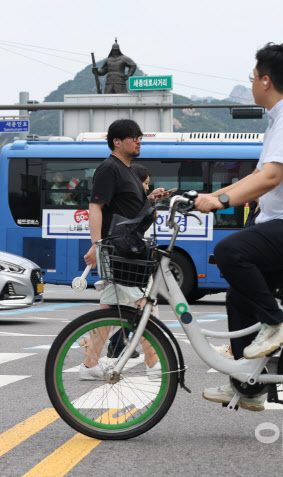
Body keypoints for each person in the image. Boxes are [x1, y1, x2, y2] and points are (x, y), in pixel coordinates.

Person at [193, 43, 283, 411]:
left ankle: (276, 322)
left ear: (266, 80)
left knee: (229, 251)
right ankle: (248, 385)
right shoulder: (282, 119)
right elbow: (259, 175)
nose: (252, 83)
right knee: (238, 295)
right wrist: (213, 195)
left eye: (253, 77)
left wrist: (221, 202)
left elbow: (271, 177)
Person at [79, 119, 171, 381]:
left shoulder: (129, 169)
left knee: (109, 309)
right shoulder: (109, 169)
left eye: (140, 136)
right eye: (134, 137)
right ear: (117, 141)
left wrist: (151, 198)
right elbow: (95, 207)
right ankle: (154, 364)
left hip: (128, 247)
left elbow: (128, 207)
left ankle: (89, 365)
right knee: (144, 306)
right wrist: (97, 245)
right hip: (121, 249)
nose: (139, 140)